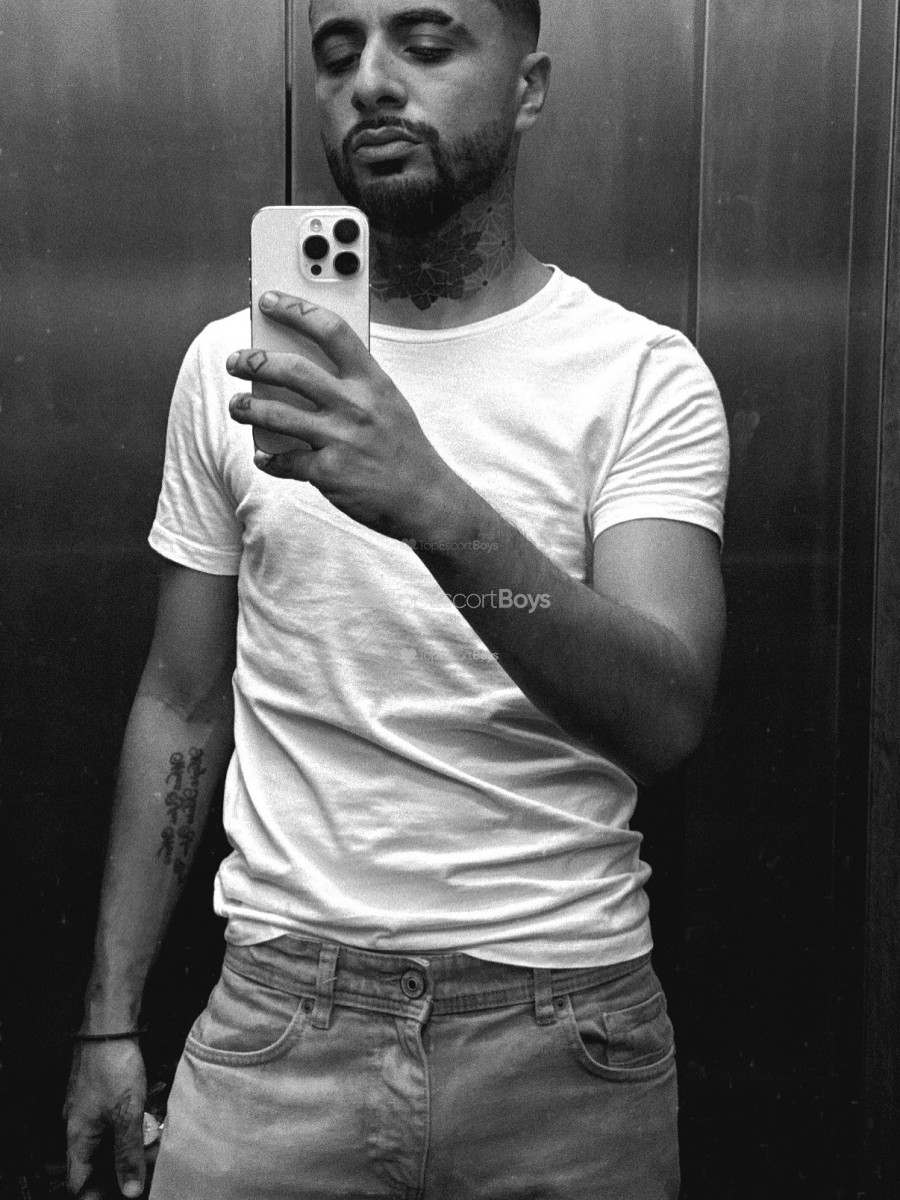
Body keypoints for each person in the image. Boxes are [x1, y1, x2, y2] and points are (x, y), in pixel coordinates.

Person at [64, 0, 729, 1197]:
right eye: (338, 52)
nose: (371, 81)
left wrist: (433, 503)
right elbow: (181, 701)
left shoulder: (639, 375)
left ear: (528, 87)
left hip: (566, 1032)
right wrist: (109, 1018)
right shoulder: (235, 369)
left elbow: (666, 713)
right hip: (279, 1023)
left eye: (425, 45)